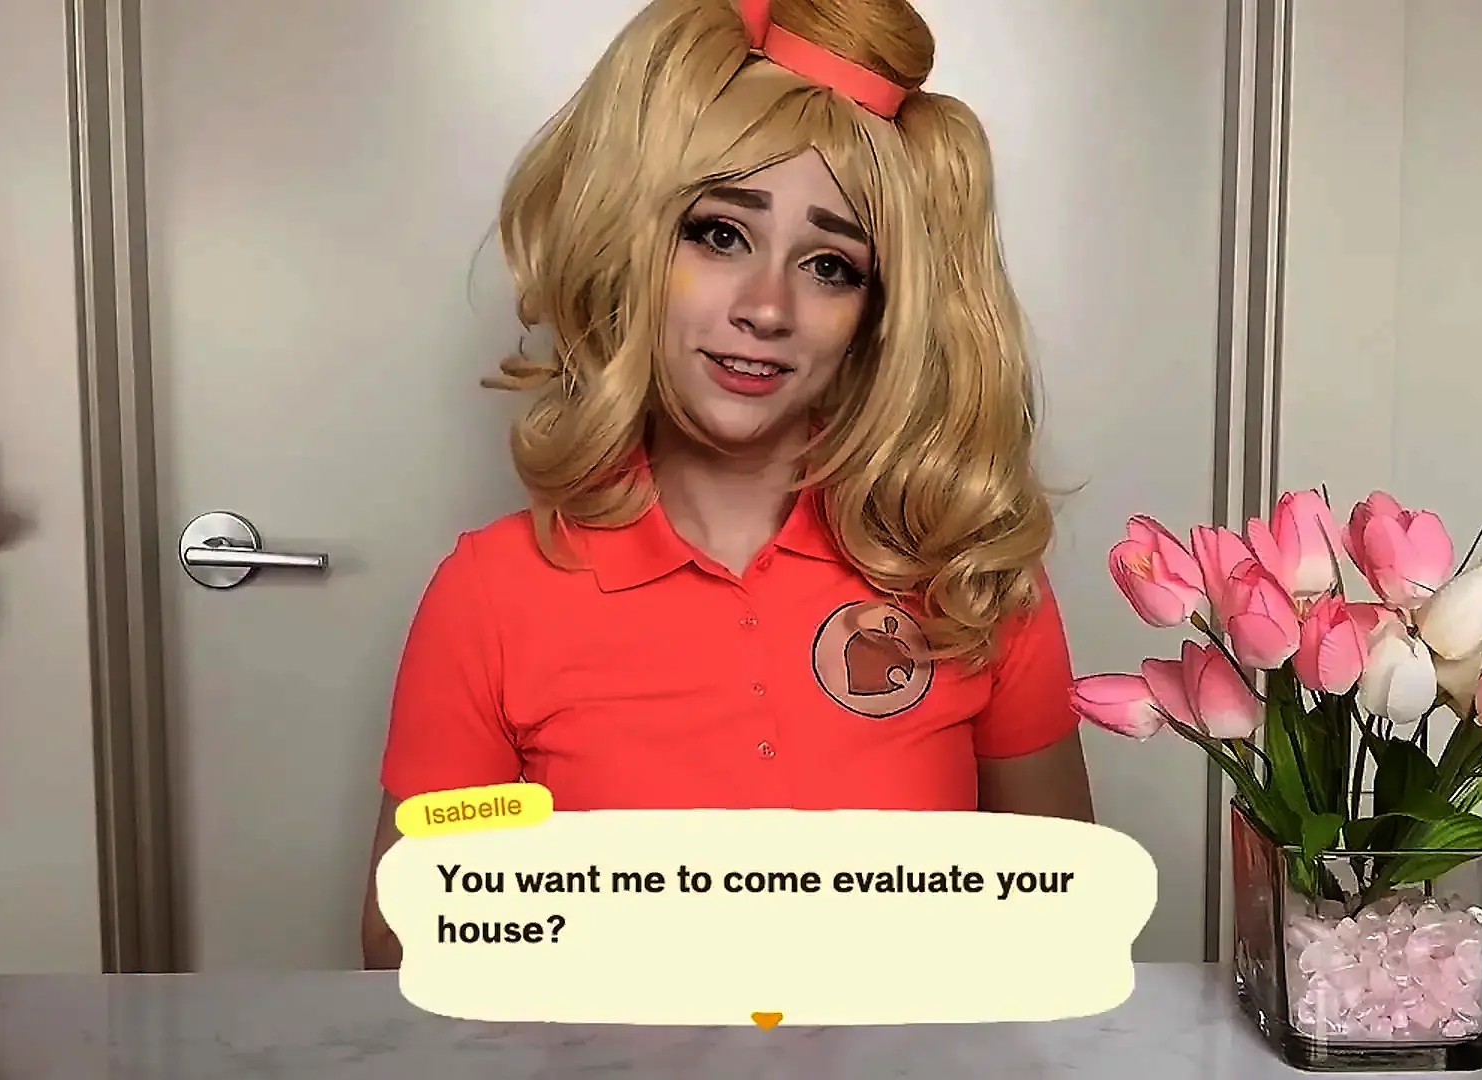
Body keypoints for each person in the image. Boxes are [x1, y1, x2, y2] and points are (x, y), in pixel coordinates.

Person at [360, 0, 1094, 969]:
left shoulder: (972, 579)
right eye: (718, 235)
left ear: (876, 316)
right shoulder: (490, 598)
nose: (766, 308)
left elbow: (1062, 926)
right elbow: (411, 944)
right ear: (636, 249)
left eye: (829, 265)